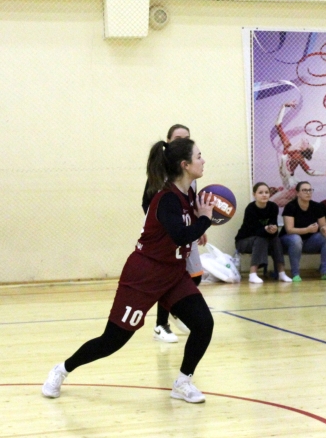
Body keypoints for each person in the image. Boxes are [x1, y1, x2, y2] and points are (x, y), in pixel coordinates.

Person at [42, 138, 215, 402]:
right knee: (112, 340)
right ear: (185, 164)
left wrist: (197, 226)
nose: (203, 160)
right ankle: (61, 370)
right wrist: (203, 221)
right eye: (199, 156)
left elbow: (182, 231)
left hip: (173, 274)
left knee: (203, 324)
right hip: (144, 275)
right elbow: (180, 235)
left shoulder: (188, 194)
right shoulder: (167, 198)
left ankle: (183, 382)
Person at [142, 124, 204, 344]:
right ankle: (161, 325)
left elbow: (190, 205)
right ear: (168, 142)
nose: (183, 141)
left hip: (185, 232)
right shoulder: (161, 174)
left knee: (195, 276)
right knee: (169, 279)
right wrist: (167, 226)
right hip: (168, 236)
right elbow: (147, 204)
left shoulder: (191, 173)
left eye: (187, 138)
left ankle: (176, 310)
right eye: (178, 138)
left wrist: (198, 226)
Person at [271, 101, 326, 206]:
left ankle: (294, 202)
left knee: (282, 201)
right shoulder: (288, 146)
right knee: (281, 201)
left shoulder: (298, 157)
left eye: (308, 143)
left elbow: (309, 171)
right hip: (287, 180)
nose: (306, 140)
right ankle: (288, 199)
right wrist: (283, 107)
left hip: (290, 181)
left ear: (303, 149)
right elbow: (278, 126)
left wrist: (325, 173)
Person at [280, 181, 326, 282]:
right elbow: (289, 230)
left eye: (310, 190)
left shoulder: (317, 206)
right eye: (304, 190)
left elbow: (324, 225)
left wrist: (323, 229)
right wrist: (307, 229)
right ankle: (295, 274)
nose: (308, 192)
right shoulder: (290, 206)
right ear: (297, 193)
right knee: (296, 239)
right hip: (289, 241)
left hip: (308, 241)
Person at [236, 182, 292, 284]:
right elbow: (251, 230)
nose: (264, 195)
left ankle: (281, 273)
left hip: (264, 239)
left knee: (275, 239)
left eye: (266, 192)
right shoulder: (250, 208)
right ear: (254, 195)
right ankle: (252, 274)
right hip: (244, 241)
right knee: (260, 238)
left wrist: (273, 229)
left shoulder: (273, 207)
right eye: (260, 192)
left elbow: (273, 226)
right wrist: (265, 229)